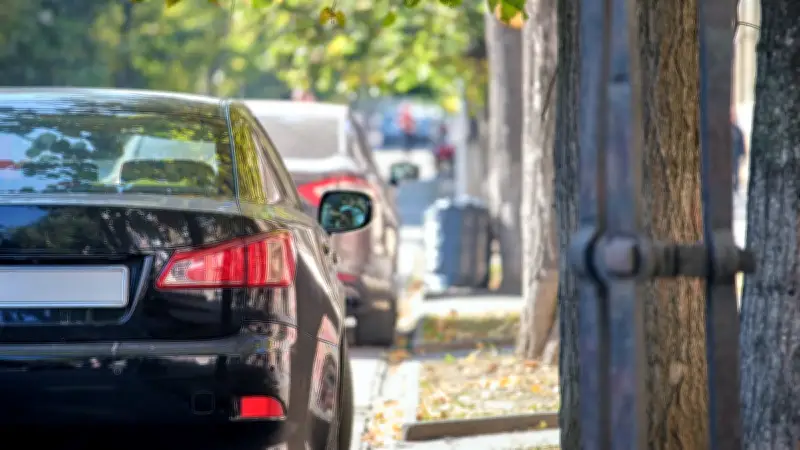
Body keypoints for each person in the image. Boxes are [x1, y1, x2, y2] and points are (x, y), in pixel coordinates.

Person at [732, 111, 746, 192]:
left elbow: (742, 143)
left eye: (734, 117)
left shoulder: (738, 130)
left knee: (736, 172)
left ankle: (736, 187)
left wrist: (743, 154)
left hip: (735, 156)